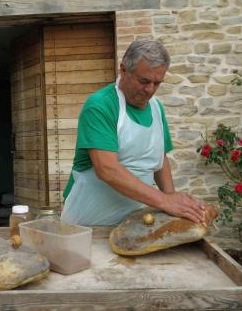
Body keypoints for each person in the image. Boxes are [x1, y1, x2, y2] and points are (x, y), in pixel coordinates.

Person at [60, 39, 206, 226]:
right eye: (144, 81)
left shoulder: (156, 108)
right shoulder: (100, 105)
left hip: (136, 224)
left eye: (157, 83)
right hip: (88, 224)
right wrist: (164, 201)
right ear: (123, 70)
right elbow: (107, 169)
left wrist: (172, 201)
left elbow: (159, 159)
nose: (150, 90)